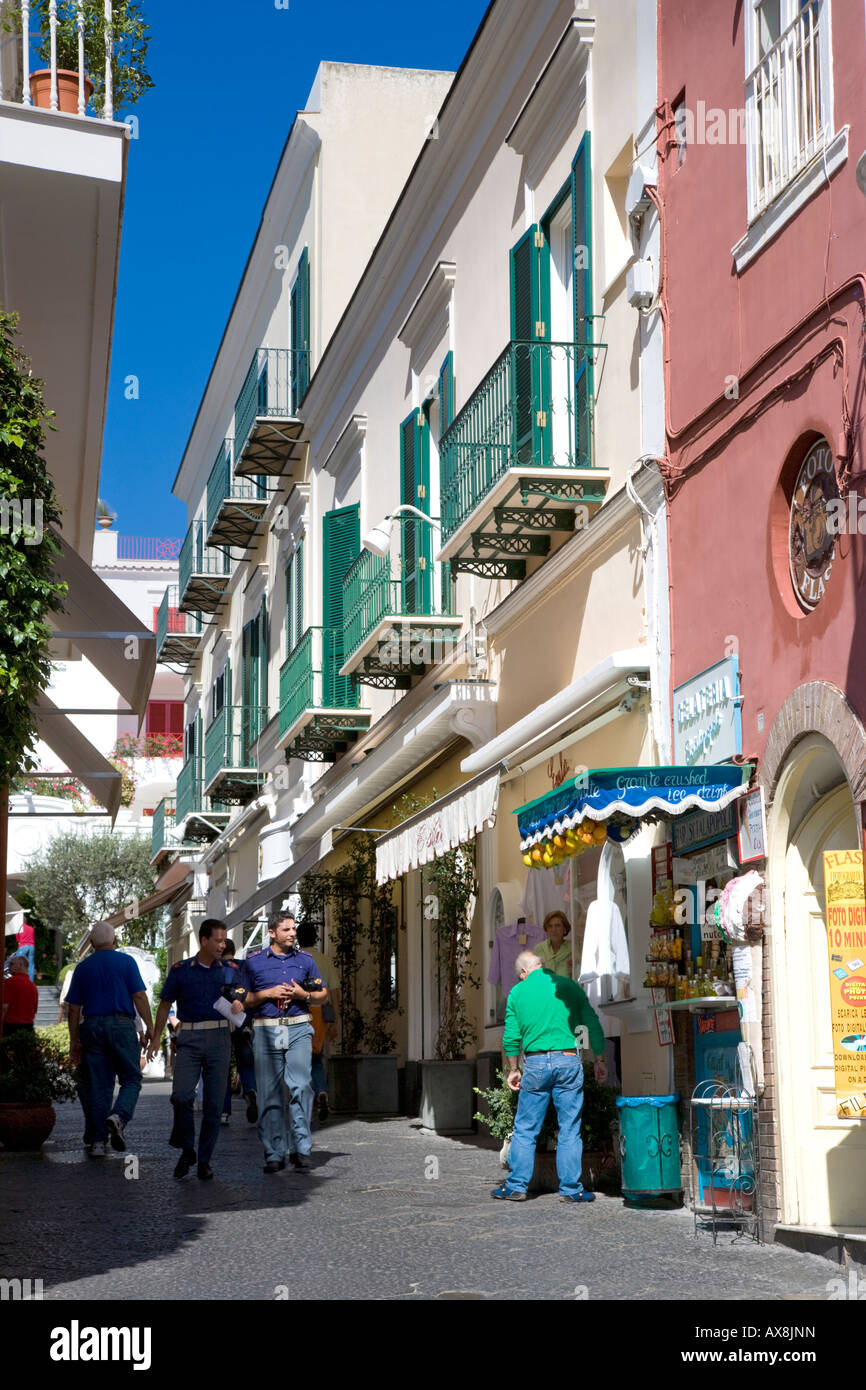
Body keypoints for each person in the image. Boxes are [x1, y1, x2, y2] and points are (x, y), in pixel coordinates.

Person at [492, 950, 608, 1204]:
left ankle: (516, 1187)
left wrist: (513, 1068)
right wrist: (599, 1059)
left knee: (525, 1129)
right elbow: (590, 1023)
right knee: (570, 1128)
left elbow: (511, 1036)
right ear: (541, 966)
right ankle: (570, 1190)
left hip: (534, 1063)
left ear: (524, 972)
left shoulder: (518, 992)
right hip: (568, 1059)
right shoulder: (569, 987)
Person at [148, 920, 245, 1180]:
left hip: (219, 1037)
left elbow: (240, 993)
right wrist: (156, 1038)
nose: (223, 945)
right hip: (189, 1038)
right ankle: (187, 1148)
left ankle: (204, 1160)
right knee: (181, 1097)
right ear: (204, 941)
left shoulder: (229, 969)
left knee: (214, 1104)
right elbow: (164, 1005)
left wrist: (237, 1002)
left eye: (224, 940)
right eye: (218, 940)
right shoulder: (181, 970)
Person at [239, 911, 327, 1174]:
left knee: (301, 1087)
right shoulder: (253, 962)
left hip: (299, 1027)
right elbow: (243, 999)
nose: (292, 934)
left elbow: (322, 994)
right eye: (286, 930)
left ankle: (301, 1150)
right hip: (266, 1030)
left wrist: (304, 994)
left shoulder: (305, 961)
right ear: (272, 933)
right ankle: (274, 1152)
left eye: (294, 929)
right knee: (270, 1093)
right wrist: (267, 993)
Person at [66, 921, 155, 1157]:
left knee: (99, 1085)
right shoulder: (126, 962)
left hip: (92, 1026)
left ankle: (97, 1142)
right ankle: (119, 1116)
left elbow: (73, 1008)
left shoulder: (83, 967)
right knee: (131, 1078)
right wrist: (150, 1027)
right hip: (121, 1025)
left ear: (93, 943)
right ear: (114, 941)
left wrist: (74, 1038)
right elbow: (139, 996)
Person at [296, 922, 336, 1123]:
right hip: (320, 1014)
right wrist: (335, 1020)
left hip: (300, 1011)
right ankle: (321, 1090)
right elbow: (334, 992)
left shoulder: (294, 959)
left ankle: (304, 1100)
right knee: (316, 1057)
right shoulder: (325, 960)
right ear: (315, 938)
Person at [220, 938, 257, 1126]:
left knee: (223, 1067)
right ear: (234, 951)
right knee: (246, 1063)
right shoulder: (244, 966)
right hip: (244, 1021)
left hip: (223, 1022)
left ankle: (224, 1111)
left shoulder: (217, 967)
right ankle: (251, 1091)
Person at [2, 955, 39, 1034]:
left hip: (11, 1027)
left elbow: (4, 1007)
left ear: (20, 965)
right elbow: (34, 1010)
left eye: (11, 964)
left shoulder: (10, 982)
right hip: (28, 1027)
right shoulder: (33, 986)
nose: (8, 966)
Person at [536, 910, 573, 977]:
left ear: (564, 929)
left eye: (558, 925)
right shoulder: (539, 949)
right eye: (550, 926)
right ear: (546, 930)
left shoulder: (573, 949)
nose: (554, 930)